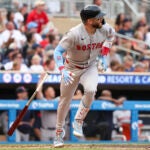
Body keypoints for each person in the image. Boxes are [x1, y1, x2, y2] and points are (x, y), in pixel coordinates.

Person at [53, 4, 115, 147]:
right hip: (71, 67)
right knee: (65, 101)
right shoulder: (73, 33)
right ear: (89, 21)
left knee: (91, 90)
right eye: (98, 17)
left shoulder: (105, 28)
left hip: (90, 66)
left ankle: (78, 121)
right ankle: (58, 134)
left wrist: (104, 54)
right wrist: (62, 69)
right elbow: (57, 51)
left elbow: (112, 35)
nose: (101, 19)